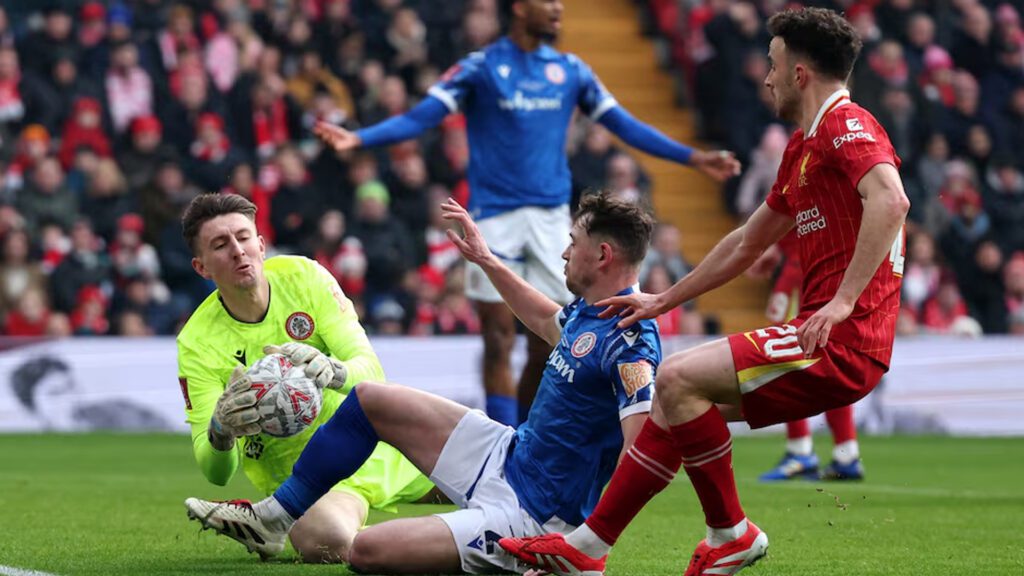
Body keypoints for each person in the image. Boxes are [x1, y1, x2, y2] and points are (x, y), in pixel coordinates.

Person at [500, 8, 909, 575]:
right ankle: (588, 550)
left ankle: (731, 533)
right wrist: (663, 301)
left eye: (772, 64)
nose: (764, 77)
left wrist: (842, 302)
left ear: (799, 74)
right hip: (830, 332)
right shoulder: (803, 149)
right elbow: (746, 243)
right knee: (675, 404)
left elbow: (891, 200)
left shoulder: (847, 126)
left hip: (842, 336)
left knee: (675, 377)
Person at [183, 192, 661, 574]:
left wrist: (589, 541)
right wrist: (487, 260)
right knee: (371, 399)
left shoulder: (631, 340)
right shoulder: (593, 309)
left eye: (572, 241)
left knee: (365, 551)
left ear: (601, 254)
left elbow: (644, 455)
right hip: (510, 455)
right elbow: (545, 320)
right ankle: (274, 518)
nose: (562, 251)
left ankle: (537, 558)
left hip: (537, 513)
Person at [313, 0, 739, 427]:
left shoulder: (571, 70)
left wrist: (692, 158)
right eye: (548, 2)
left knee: (552, 339)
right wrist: (361, 140)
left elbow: (623, 124)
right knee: (498, 337)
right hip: (495, 218)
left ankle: (525, 436)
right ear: (519, 8)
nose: (558, 9)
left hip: (552, 222)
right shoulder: (480, 67)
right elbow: (424, 115)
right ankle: (501, 440)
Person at [176, 193, 435, 563]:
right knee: (324, 543)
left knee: (509, 484)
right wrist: (220, 429)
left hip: (377, 445)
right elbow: (216, 472)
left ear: (261, 245)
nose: (237, 250)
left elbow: (372, 371)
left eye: (244, 237)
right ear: (202, 268)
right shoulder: (196, 343)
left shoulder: (305, 277)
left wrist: (334, 370)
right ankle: (460, 543)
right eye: (220, 244)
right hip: (305, 482)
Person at [748, 231, 864, 481]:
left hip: (802, 270)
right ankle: (846, 454)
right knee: (829, 357)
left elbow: (795, 205)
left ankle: (800, 451)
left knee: (784, 354)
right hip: (822, 268)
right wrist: (778, 247)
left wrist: (770, 242)